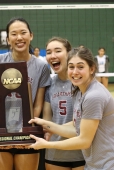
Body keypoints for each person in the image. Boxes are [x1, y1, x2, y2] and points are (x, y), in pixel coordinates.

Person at [29, 47, 114, 169]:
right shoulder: (80, 92)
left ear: (92, 69)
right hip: (95, 164)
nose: (75, 72)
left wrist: (47, 145)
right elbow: (76, 126)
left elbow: (84, 141)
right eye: (71, 67)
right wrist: (47, 125)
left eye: (80, 67)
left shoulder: (94, 96)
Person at [0, 17, 51, 170]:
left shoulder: (41, 66)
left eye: (23, 33)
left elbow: (38, 104)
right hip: (1, 134)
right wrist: (2, 131)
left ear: (31, 35)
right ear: (8, 39)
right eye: (14, 34)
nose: (19, 37)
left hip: (27, 134)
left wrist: (23, 132)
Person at [43, 37, 84, 170]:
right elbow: (47, 119)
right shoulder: (49, 84)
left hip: (82, 153)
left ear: (69, 53)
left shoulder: (83, 83)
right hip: (56, 153)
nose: (52, 55)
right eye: (48, 52)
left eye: (58, 51)